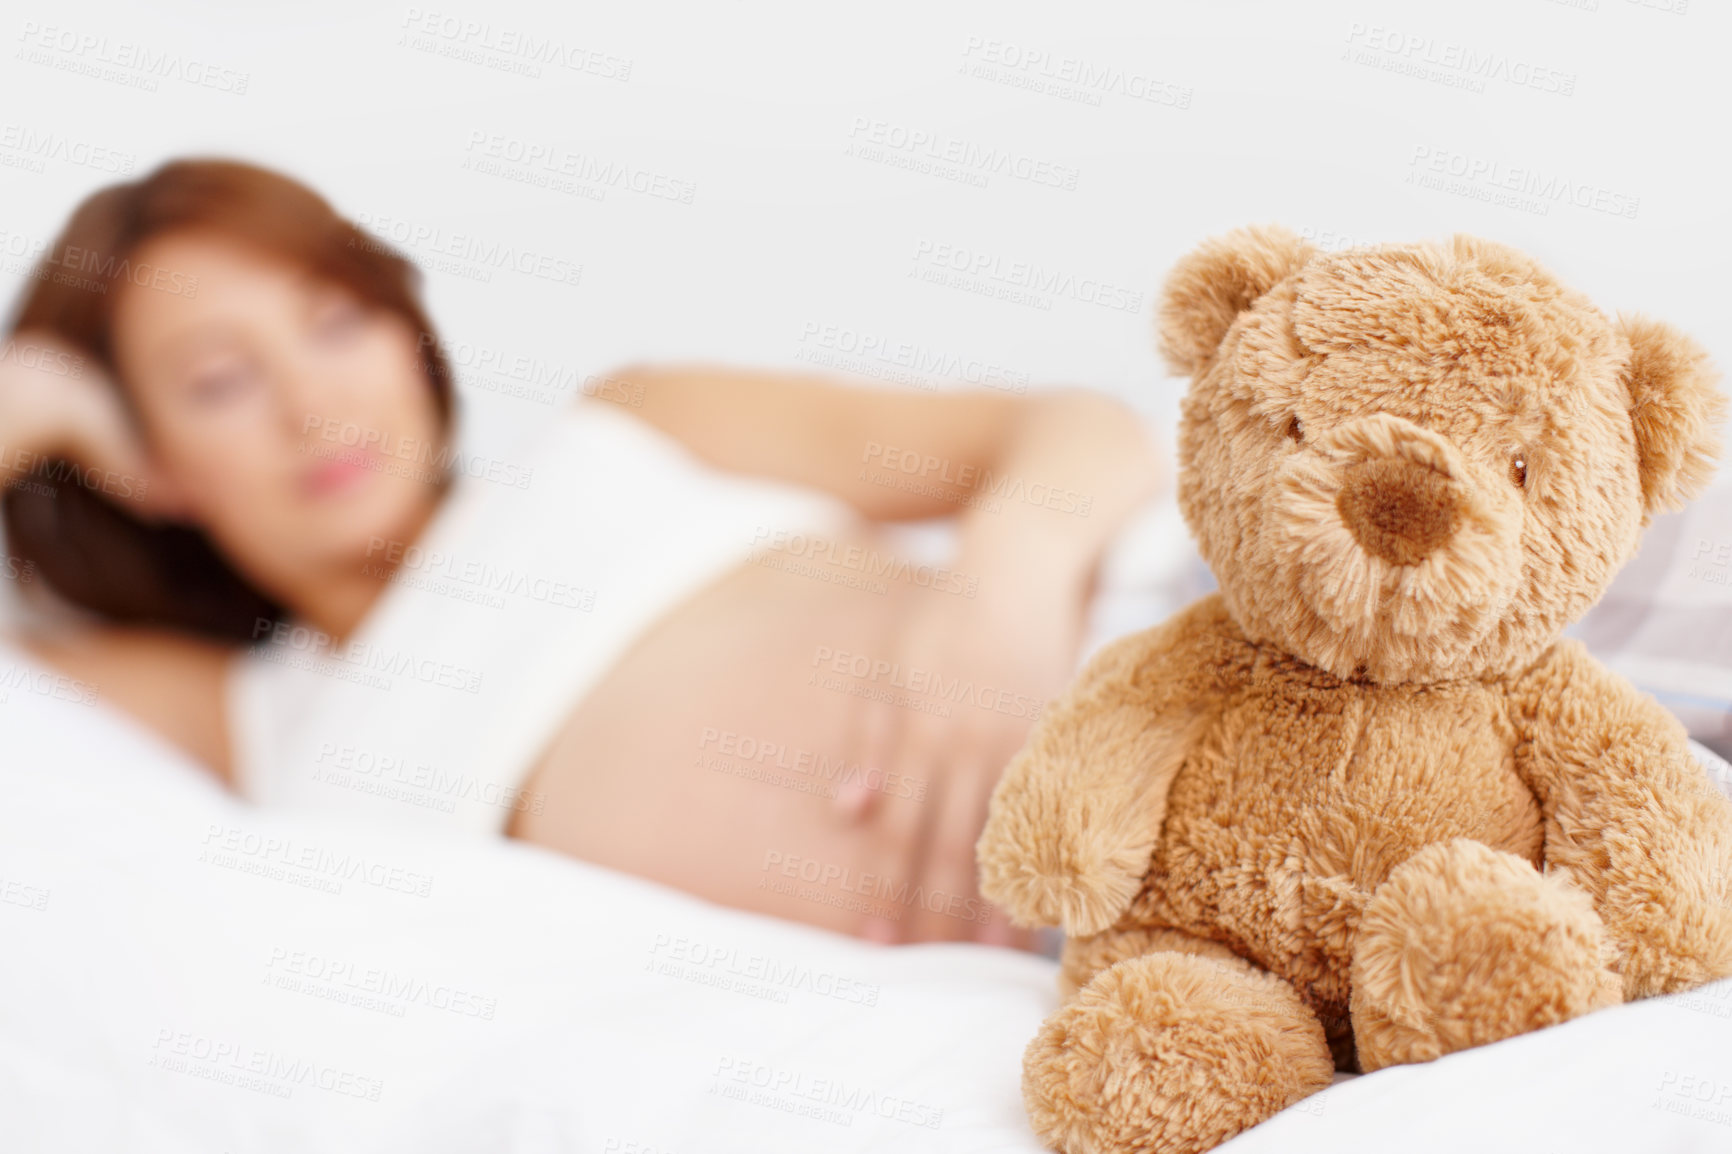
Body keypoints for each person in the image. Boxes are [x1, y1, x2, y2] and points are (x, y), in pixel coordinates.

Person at [0, 159, 1164, 945]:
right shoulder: (249, 718)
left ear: (408, 332)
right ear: (144, 463)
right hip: (1096, 948)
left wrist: (999, 592)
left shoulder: (627, 430)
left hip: (1156, 679)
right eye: (219, 380)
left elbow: (1072, 429)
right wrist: (41, 398)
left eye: (336, 319)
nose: (312, 403)